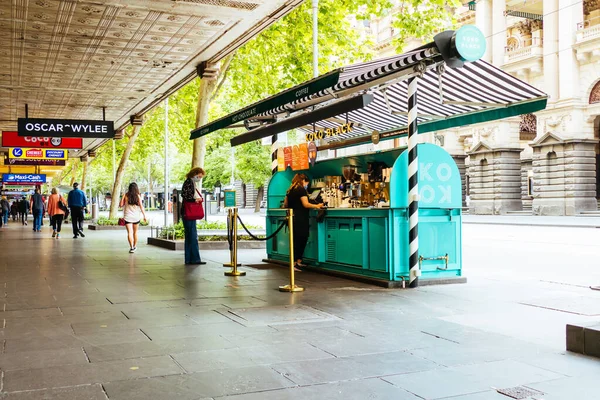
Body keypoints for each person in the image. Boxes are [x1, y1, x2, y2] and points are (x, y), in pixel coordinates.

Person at [283, 173, 323, 271]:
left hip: (292, 217)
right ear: (303, 181)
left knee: (295, 240)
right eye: (307, 183)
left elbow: (285, 204)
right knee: (302, 239)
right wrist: (317, 206)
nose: (307, 185)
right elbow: (306, 204)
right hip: (301, 218)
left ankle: (296, 262)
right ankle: (296, 262)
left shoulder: (290, 190)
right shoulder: (301, 190)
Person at [181, 167, 206, 265]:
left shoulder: (189, 182)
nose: (199, 178)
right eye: (199, 176)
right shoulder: (189, 182)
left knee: (189, 236)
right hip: (189, 212)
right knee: (192, 235)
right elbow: (186, 195)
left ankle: (189, 259)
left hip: (186, 212)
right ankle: (195, 259)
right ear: (194, 174)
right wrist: (195, 200)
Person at [119, 183, 147, 253]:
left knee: (130, 233)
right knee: (135, 233)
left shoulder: (126, 195)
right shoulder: (138, 196)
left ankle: (131, 247)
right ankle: (134, 246)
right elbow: (141, 207)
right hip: (136, 217)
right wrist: (144, 216)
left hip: (127, 217)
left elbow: (120, 205)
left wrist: (123, 196)